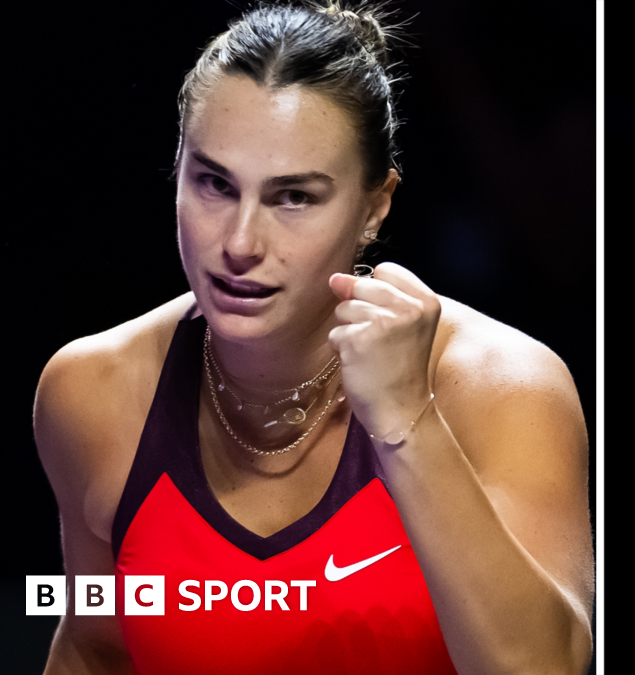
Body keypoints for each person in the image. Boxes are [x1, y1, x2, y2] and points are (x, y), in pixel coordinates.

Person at [33, 2, 593, 673]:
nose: (240, 243)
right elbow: (96, 642)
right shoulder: (89, 389)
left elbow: (546, 667)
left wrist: (408, 422)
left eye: (293, 197)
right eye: (214, 183)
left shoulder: (505, 387)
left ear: (375, 206)